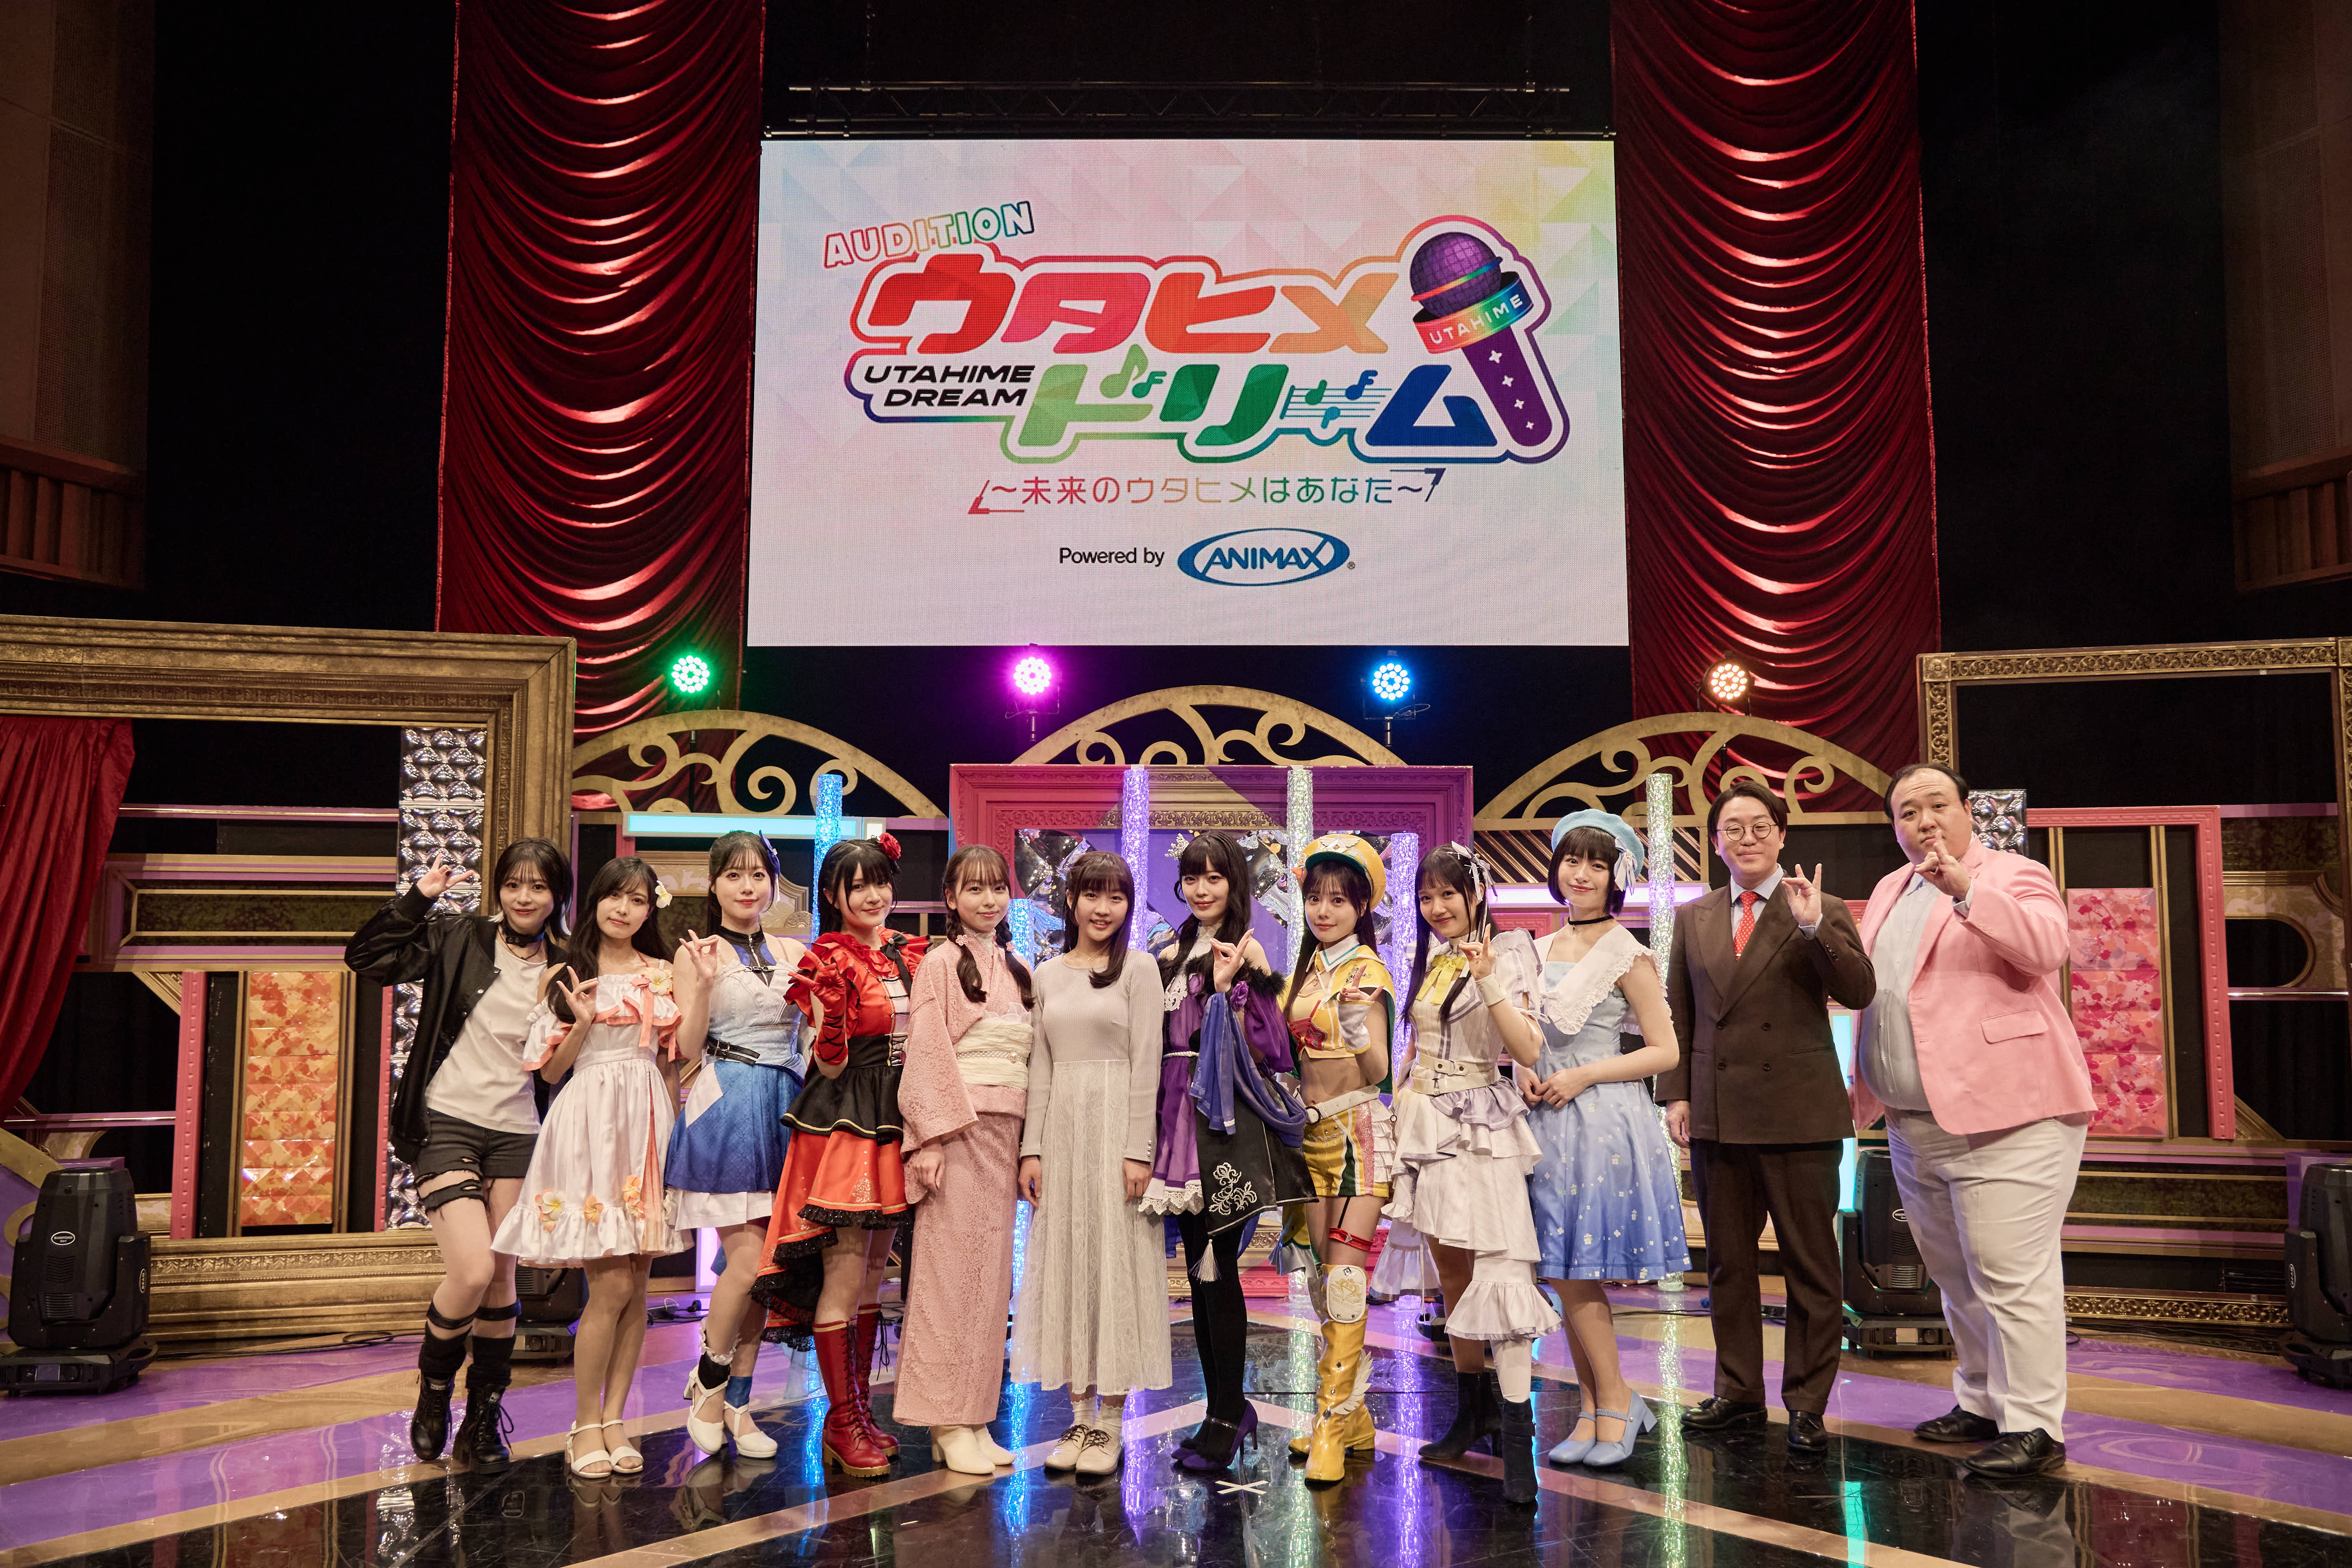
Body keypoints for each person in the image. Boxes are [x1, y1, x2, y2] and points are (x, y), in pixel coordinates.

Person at [1851, 763, 2093, 1479]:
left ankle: (2034, 1424)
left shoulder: (2012, 874)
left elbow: (2046, 949)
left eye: (1936, 805)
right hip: (1912, 1122)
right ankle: (1984, 1399)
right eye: (1907, 811)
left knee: (2010, 1276)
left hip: (2009, 1117)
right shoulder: (1890, 889)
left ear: (1966, 811)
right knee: (1955, 1275)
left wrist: (1967, 891)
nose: (1923, 820)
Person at [1657, 781, 1875, 1456]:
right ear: (1715, 841)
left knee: (1811, 1265)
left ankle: (1807, 1403)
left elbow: (1858, 989)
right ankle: (1738, 1391)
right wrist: (1676, 1094)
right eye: (1733, 828)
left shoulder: (1818, 905)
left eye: (1759, 826)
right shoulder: (1694, 916)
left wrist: (1813, 928)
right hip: (1718, 1114)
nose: (1746, 838)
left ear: (1782, 835)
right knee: (1728, 1265)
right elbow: (1679, 1013)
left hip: (1800, 1115)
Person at [345, 837, 572, 1470]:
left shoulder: (568, 962)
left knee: (500, 1277)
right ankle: (435, 1387)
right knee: (472, 1269)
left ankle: (482, 1416)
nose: (524, 897)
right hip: (447, 1118)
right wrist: (417, 898)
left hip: (520, 1130)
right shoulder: (459, 937)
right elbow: (366, 958)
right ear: (498, 888)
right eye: (513, 884)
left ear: (557, 895)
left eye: (538, 886)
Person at [490, 855, 709, 1479]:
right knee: (610, 1284)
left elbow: (676, 1059)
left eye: (637, 900)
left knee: (638, 1286)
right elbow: (551, 1073)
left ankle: (615, 1420)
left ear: (649, 909)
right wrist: (581, 1023)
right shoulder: (565, 971)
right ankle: (584, 1423)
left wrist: (675, 1144)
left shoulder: (660, 972)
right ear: (595, 901)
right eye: (616, 896)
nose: (624, 909)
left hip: (647, 1121)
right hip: (588, 1119)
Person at [749, 836, 926, 1478]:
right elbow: (828, 1064)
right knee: (846, 1272)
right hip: (847, 1117)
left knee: (875, 1271)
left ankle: (857, 1412)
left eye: (880, 882)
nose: (873, 895)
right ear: (832, 894)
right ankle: (841, 1417)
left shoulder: (908, 950)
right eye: (858, 886)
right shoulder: (826, 957)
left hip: (896, 1113)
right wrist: (831, 1019)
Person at [1388, 843, 1557, 1505]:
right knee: (1452, 1277)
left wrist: (1486, 979)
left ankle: (1518, 1441)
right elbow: (1418, 1046)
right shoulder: (1431, 959)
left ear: (1476, 893)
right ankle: (1473, 1409)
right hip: (1427, 1128)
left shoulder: (1510, 951)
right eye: (1426, 896)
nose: (1436, 907)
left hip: (1482, 1127)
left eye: (1447, 893)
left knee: (1501, 1273)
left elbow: (1527, 1047)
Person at [1526, 813, 1690, 1471]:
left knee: (1579, 1271)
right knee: (1561, 1270)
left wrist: (1585, 1074)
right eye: (1572, 860)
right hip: (1545, 1119)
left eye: (1597, 864)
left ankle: (1615, 1399)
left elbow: (1665, 1050)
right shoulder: (1534, 948)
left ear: (1617, 876)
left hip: (1600, 1121)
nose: (1581, 874)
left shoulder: (1628, 952)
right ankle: (1596, 1406)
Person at [1151, 831, 1307, 1474]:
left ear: (1234, 883)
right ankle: (1220, 1409)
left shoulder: (1247, 949)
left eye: (1214, 877)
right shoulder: (1168, 949)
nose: (1201, 888)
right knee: (1198, 1271)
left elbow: (1271, 1047)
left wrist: (1223, 991)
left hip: (1221, 1119)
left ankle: (1227, 1412)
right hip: (1174, 1115)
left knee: (1218, 1268)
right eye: (1192, 877)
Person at [1012, 849, 1171, 1476]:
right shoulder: (1047, 974)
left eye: (1116, 896)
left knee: (1116, 1268)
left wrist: (1138, 1149)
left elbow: (1147, 1063)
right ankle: (1078, 1417)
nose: (1103, 908)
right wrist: (1031, 1147)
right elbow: (1040, 1066)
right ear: (1072, 901)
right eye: (1092, 895)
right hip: (1062, 1133)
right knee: (1069, 1265)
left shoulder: (1139, 968)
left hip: (1116, 1134)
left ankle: (1109, 1423)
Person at [894, 845, 1035, 1474]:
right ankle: (944, 1419)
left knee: (989, 1282)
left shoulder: (1018, 967)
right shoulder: (939, 962)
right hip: (957, 1129)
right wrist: (928, 1138)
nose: (988, 900)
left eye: (997, 887)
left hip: (1004, 1133)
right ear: (950, 898)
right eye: (973, 889)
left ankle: (974, 1414)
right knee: (946, 1276)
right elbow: (926, 1049)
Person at [669, 831, 806, 1459]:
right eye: (734, 875)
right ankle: (708, 1381)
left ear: (773, 884)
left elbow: (812, 1034)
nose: (747, 886)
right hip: (727, 1100)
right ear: (714, 883)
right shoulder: (696, 952)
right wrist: (700, 984)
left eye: (758, 875)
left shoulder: (795, 950)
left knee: (763, 1275)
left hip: (786, 1106)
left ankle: (739, 1404)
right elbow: (687, 1047)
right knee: (746, 1264)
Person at [1282, 833, 1399, 1485]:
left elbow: (1379, 1071)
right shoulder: (1306, 973)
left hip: (1359, 1133)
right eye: (1315, 898)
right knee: (1320, 1280)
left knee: (1348, 1278)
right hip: (1309, 1138)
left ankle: (1330, 1421)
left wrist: (1358, 1028)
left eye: (1337, 900)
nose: (1323, 910)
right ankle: (1352, 1415)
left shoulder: (1367, 973)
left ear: (1361, 906)